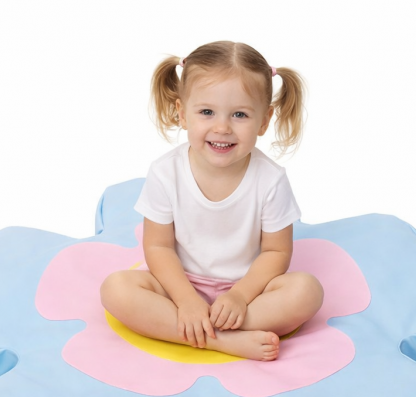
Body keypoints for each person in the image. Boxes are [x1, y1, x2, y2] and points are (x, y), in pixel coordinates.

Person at [100, 41, 324, 361]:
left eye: (240, 114)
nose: (222, 127)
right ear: (182, 114)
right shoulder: (165, 172)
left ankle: (199, 330)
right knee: (116, 289)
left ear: (264, 120)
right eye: (207, 112)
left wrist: (240, 297)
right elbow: (158, 246)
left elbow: (276, 252)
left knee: (307, 291)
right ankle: (222, 341)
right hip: (178, 285)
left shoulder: (271, 179)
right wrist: (186, 300)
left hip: (249, 291)